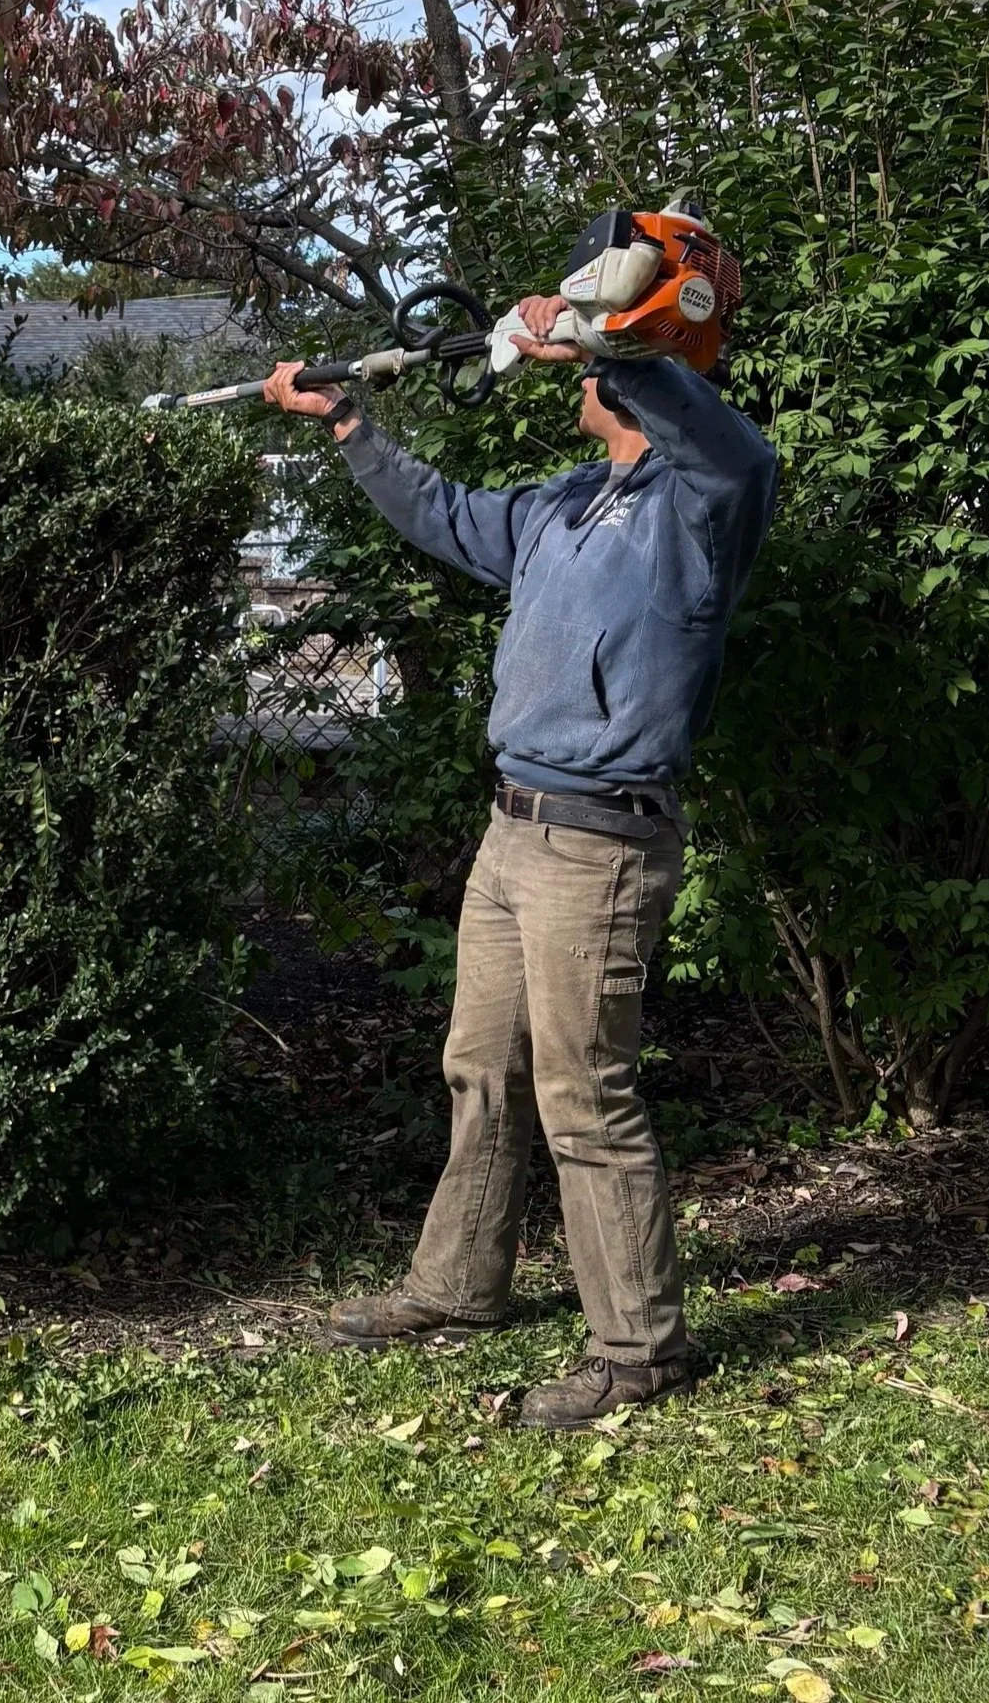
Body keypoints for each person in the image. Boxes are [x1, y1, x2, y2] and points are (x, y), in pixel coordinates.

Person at [262, 290, 778, 1429]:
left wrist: (603, 338)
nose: (581, 376)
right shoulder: (567, 503)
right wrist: (350, 425)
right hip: (511, 831)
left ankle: (640, 1349)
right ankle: (458, 1284)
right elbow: (445, 515)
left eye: (608, 358)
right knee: (479, 1066)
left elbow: (730, 446)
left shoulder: (703, 505)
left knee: (583, 1097)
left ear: (641, 367)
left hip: (600, 841)